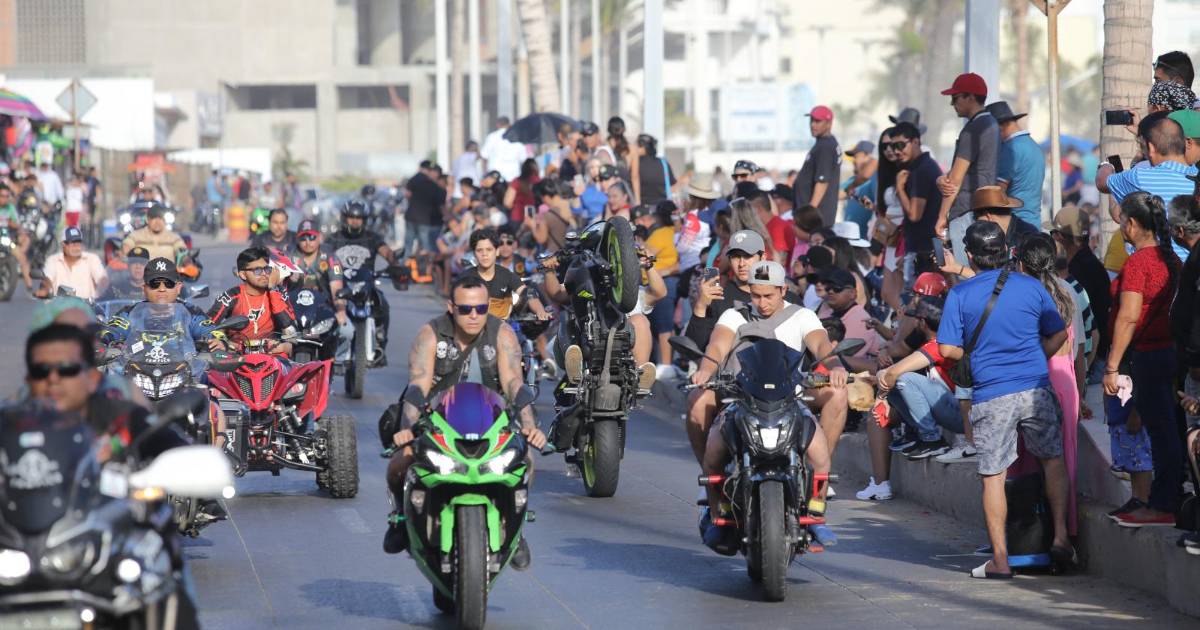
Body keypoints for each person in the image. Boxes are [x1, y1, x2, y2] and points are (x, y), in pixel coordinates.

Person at [937, 221, 1073, 579]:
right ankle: (1061, 537)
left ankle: (1000, 559)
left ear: (969, 255)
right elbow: (1058, 333)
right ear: (1005, 251)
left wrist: (977, 355)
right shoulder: (1030, 286)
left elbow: (947, 350)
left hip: (992, 393)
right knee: (1052, 460)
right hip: (1035, 388)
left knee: (993, 476)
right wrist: (1035, 358)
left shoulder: (960, 295)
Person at [381, 275, 547, 560]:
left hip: (492, 419)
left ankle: (515, 531)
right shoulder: (430, 334)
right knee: (400, 462)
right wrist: (407, 429)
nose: (473, 315)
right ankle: (399, 518)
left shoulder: (503, 334)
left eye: (480, 309)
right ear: (451, 307)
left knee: (526, 461)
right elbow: (418, 384)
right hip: (437, 419)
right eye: (465, 309)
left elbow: (513, 383)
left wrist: (530, 428)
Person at [694, 261, 842, 549]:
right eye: (756, 295)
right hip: (742, 401)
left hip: (790, 401)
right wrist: (706, 369)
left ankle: (816, 513)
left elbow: (821, 345)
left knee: (820, 455)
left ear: (783, 290)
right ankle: (717, 513)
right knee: (713, 454)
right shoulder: (734, 315)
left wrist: (835, 366)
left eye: (768, 296)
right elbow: (717, 345)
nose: (761, 303)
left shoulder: (802, 316)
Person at [1103, 192, 1182, 528]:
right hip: (1170, 355)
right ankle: (1167, 498)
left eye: (1122, 220)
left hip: (1149, 356)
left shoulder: (1138, 263)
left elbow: (1129, 316)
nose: (1121, 226)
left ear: (1132, 224)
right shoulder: (1171, 259)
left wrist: (1112, 366)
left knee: (1161, 432)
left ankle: (1164, 503)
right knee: (1168, 429)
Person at [1016, 233, 1085, 537]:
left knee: (1029, 460)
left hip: (1033, 379)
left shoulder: (1023, 293)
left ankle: (1032, 534)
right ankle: (1065, 532)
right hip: (1065, 381)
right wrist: (1079, 393)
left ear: (1022, 262)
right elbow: (1079, 349)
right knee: (1064, 458)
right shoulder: (1068, 290)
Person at [1096, 112, 1195, 262]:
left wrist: (1106, 166)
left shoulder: (1139, 178)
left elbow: (1102, 182)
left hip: (1157, 270)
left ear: (1150, 147)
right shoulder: (1196, 176)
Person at [935, 73, 1000, 268]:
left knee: (962, 273)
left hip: (965, 210)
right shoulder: (992, 123)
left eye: (955, 98)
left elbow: (954, 181)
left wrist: (941, 217)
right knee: (982, 274)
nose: (952, 104)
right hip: (984, 209)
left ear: (970, 97)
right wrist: (941, 178)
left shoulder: (973, 129)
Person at [327, 200, 398, 361]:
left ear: (364, 220)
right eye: (351, 217)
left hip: (366, 286)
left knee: (383, 304)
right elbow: (323, 255)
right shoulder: (333, 239)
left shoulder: (372, 238)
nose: (355, 221)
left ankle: (380, 340)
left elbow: (386, 252)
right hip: (340, 285)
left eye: (359, 218)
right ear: (344, 218)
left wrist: (396, 263)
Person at [1048, 206, 1112, 364]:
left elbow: (1090, 329)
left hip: (1089, 360)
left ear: (1059, 237)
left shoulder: (1078, 271)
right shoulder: (1089, 265)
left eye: (1052, 233)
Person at [207, 247, 298, 355]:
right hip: (237, 355)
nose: (264, 274)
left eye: (267, 269)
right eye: (257, 271)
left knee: (290, 347)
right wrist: (222, 341)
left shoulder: (278, 292)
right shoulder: (231, 296)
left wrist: (273, 290)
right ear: (243, 274)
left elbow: (289, 326)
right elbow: (207, 325)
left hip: (271, 354)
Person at [942, 186, 1038, 279]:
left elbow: (995, 279)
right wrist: (955, 267)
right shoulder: (1024, 232)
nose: (978, 224)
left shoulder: (1027, 237)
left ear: (988, 216)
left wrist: (958, 269)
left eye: (977, 220)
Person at [290, 219, 353, 360]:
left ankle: (336, 362)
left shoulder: (330, 258)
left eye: (312, 237)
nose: (308, 242)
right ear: (297, 239)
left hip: (323, 308)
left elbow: (336, 287)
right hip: (293, 308)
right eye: (303, 238)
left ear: (320, 237)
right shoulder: (289, 255)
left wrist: (341, 311)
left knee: (347, 331)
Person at [462, 227, 549, 321]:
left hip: (502, 324)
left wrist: (540, 311)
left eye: (489, 249)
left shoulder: (508, 274)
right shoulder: (465, 278)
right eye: (479, 250)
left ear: (496, 251)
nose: (484, 254)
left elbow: (527, 292)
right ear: (474, 253)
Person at [893, 122, 943, 278]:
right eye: (894, 147)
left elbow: (914, 215)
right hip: (925, 248)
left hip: (924, 251)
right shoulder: (923, 166)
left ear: (915, 141)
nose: (897, 151)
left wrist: (899, 189)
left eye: (901, 145)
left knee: (918, 293)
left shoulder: (921, 170)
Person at [633, 203, 680, 367]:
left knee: (662, 326)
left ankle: (665, 365)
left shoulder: (661, 233)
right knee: (665, 326)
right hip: (670, 280)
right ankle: (665, 364)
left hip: (658, 281)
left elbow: (645, 254)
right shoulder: (677, 233)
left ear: (658, 217)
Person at [988, 101, 1044, 227]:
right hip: (1034, 222)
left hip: (1015, 225)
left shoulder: (1010, 149)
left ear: (1000, 127)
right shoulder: (1034, 146)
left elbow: (998, 192)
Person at [815, 266, 881, 372]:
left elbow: (844, 355)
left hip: (854, 374)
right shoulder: (827, 310)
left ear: (852, 293)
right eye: (828, 287)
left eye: (837, 288)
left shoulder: (861, 318)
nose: (831, 291)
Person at [794, 105, 841, 226]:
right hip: (817, 215)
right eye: (812, 120)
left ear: (829, 124)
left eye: (818, 121)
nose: (812, 125)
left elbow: (822, 181)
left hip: (816, 217)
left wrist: (810, 211)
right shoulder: (825, 143)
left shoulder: (825, 147)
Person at [38, 227, 107, 300]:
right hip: (60, 305)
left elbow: (102, 279)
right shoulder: (53, 260)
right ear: (63, 244)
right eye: (73, 243)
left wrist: (106, 286)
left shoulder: (92, 259)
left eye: (79, 242)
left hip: (86, 305)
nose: (77, 247)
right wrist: (45, 289)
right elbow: (48, 278)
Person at [403, 161, 447, 256]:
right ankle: (423, 265)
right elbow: (441, 207)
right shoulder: (436, 187)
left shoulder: (415, 180)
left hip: (412, 217)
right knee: (426, 248)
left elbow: (407, 194)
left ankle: (406, 263)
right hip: (425, 221)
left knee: (409, 246)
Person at [120, 203, 186, 263]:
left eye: (160, 218)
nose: (157, 222)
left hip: (167, 271)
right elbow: (127, 245)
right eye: (154, 218)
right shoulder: (136, 235)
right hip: (144, 271)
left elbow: (181, 250)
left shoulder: (173, 238)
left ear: (164, 221)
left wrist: (184, 258)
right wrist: (125, 252)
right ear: (148, 220)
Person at [841, 140, 877, 239]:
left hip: (866, 238)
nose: (853, 161)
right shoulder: (853, 180)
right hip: (849, 237)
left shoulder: (875, 177)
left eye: (856, 156)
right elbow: (837, 194)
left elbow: (873, 164)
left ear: (867, 156)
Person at [0, 183, 34, 289]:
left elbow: (17, 224)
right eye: (2, 196)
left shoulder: (10, 208)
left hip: (6, 240)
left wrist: (12, 224)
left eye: (7, 196)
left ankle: (29, 285)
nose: (5, 199)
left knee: (22, 257)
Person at [633, 133, 676, 206]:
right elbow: (673, 184)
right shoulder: (664, 163)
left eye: (635, 145)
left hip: (641, 208)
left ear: (642, 147)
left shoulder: (635, 164)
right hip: (662, 208)